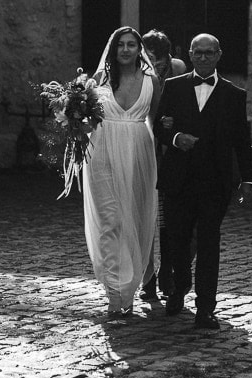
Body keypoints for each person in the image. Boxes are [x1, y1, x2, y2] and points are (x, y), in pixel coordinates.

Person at [154, 33, 252, 329]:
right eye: (197, 53)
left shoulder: (234, 94)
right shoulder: (173, 87)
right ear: (189, 54)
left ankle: (205, 308)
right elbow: (158, 129)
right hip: (178, 179)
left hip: (215, 182)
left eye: (209, 53)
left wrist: (248, 180)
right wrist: (175, 137)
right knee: (177, 240)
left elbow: (242, 142)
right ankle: (179, 287)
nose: (203, 58)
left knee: (209, 243)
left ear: (219, 55)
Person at [84, 26, 162, 318]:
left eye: (131, 45)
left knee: (133, 219)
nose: (126, 50)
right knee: (111, 219)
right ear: (113, 49)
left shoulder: (151, 81)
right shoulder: (100, 80)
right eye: (121, 45)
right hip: (102, 153)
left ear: (138, 49)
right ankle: (114, 293)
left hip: (138, 155)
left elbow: (156, 122)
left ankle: (129, 288)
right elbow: (85, 121)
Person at [139, 29, 189, 302]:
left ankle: (167, 270)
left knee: (169, 216)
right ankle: (147, 277)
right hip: (145, 145)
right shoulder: (137, 71)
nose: (154, 65)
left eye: (158, 60)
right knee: (147, 214)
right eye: (148, 58)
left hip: (169, 148)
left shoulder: (179, 68)